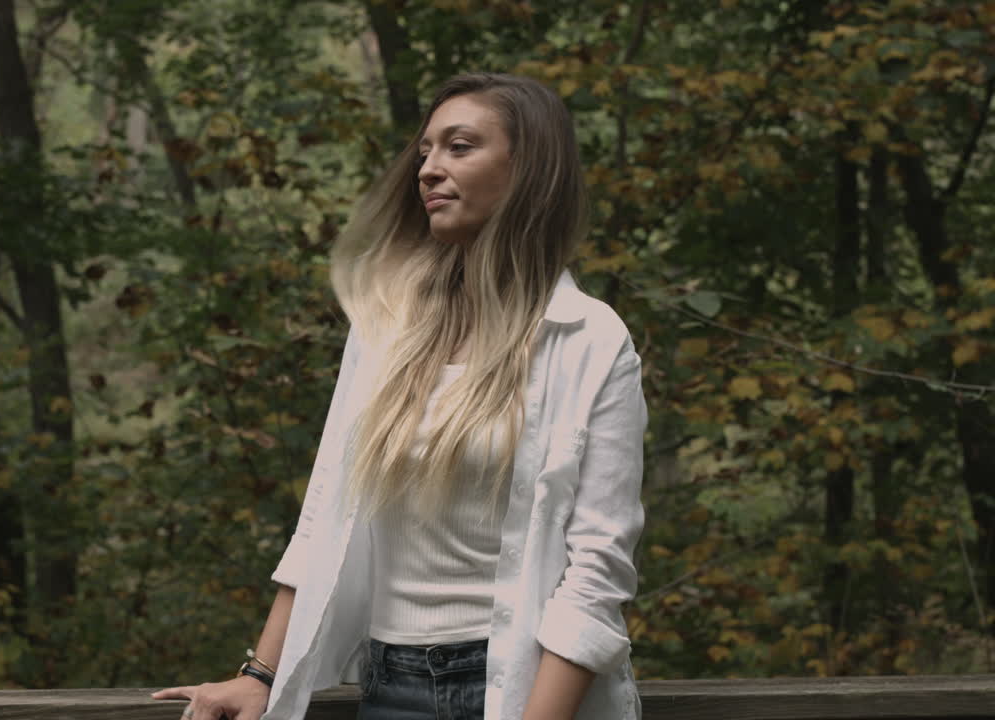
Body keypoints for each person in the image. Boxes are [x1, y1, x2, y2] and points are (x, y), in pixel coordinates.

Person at [152, 72, 647, 720]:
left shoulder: (589, 340)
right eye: (425, 152)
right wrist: (259, 675)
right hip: (390, 687)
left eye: (459, 147)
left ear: (529, 169)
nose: (429, 169)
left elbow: (597, 574)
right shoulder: (388, 325)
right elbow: (326, 510)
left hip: (521, 690)